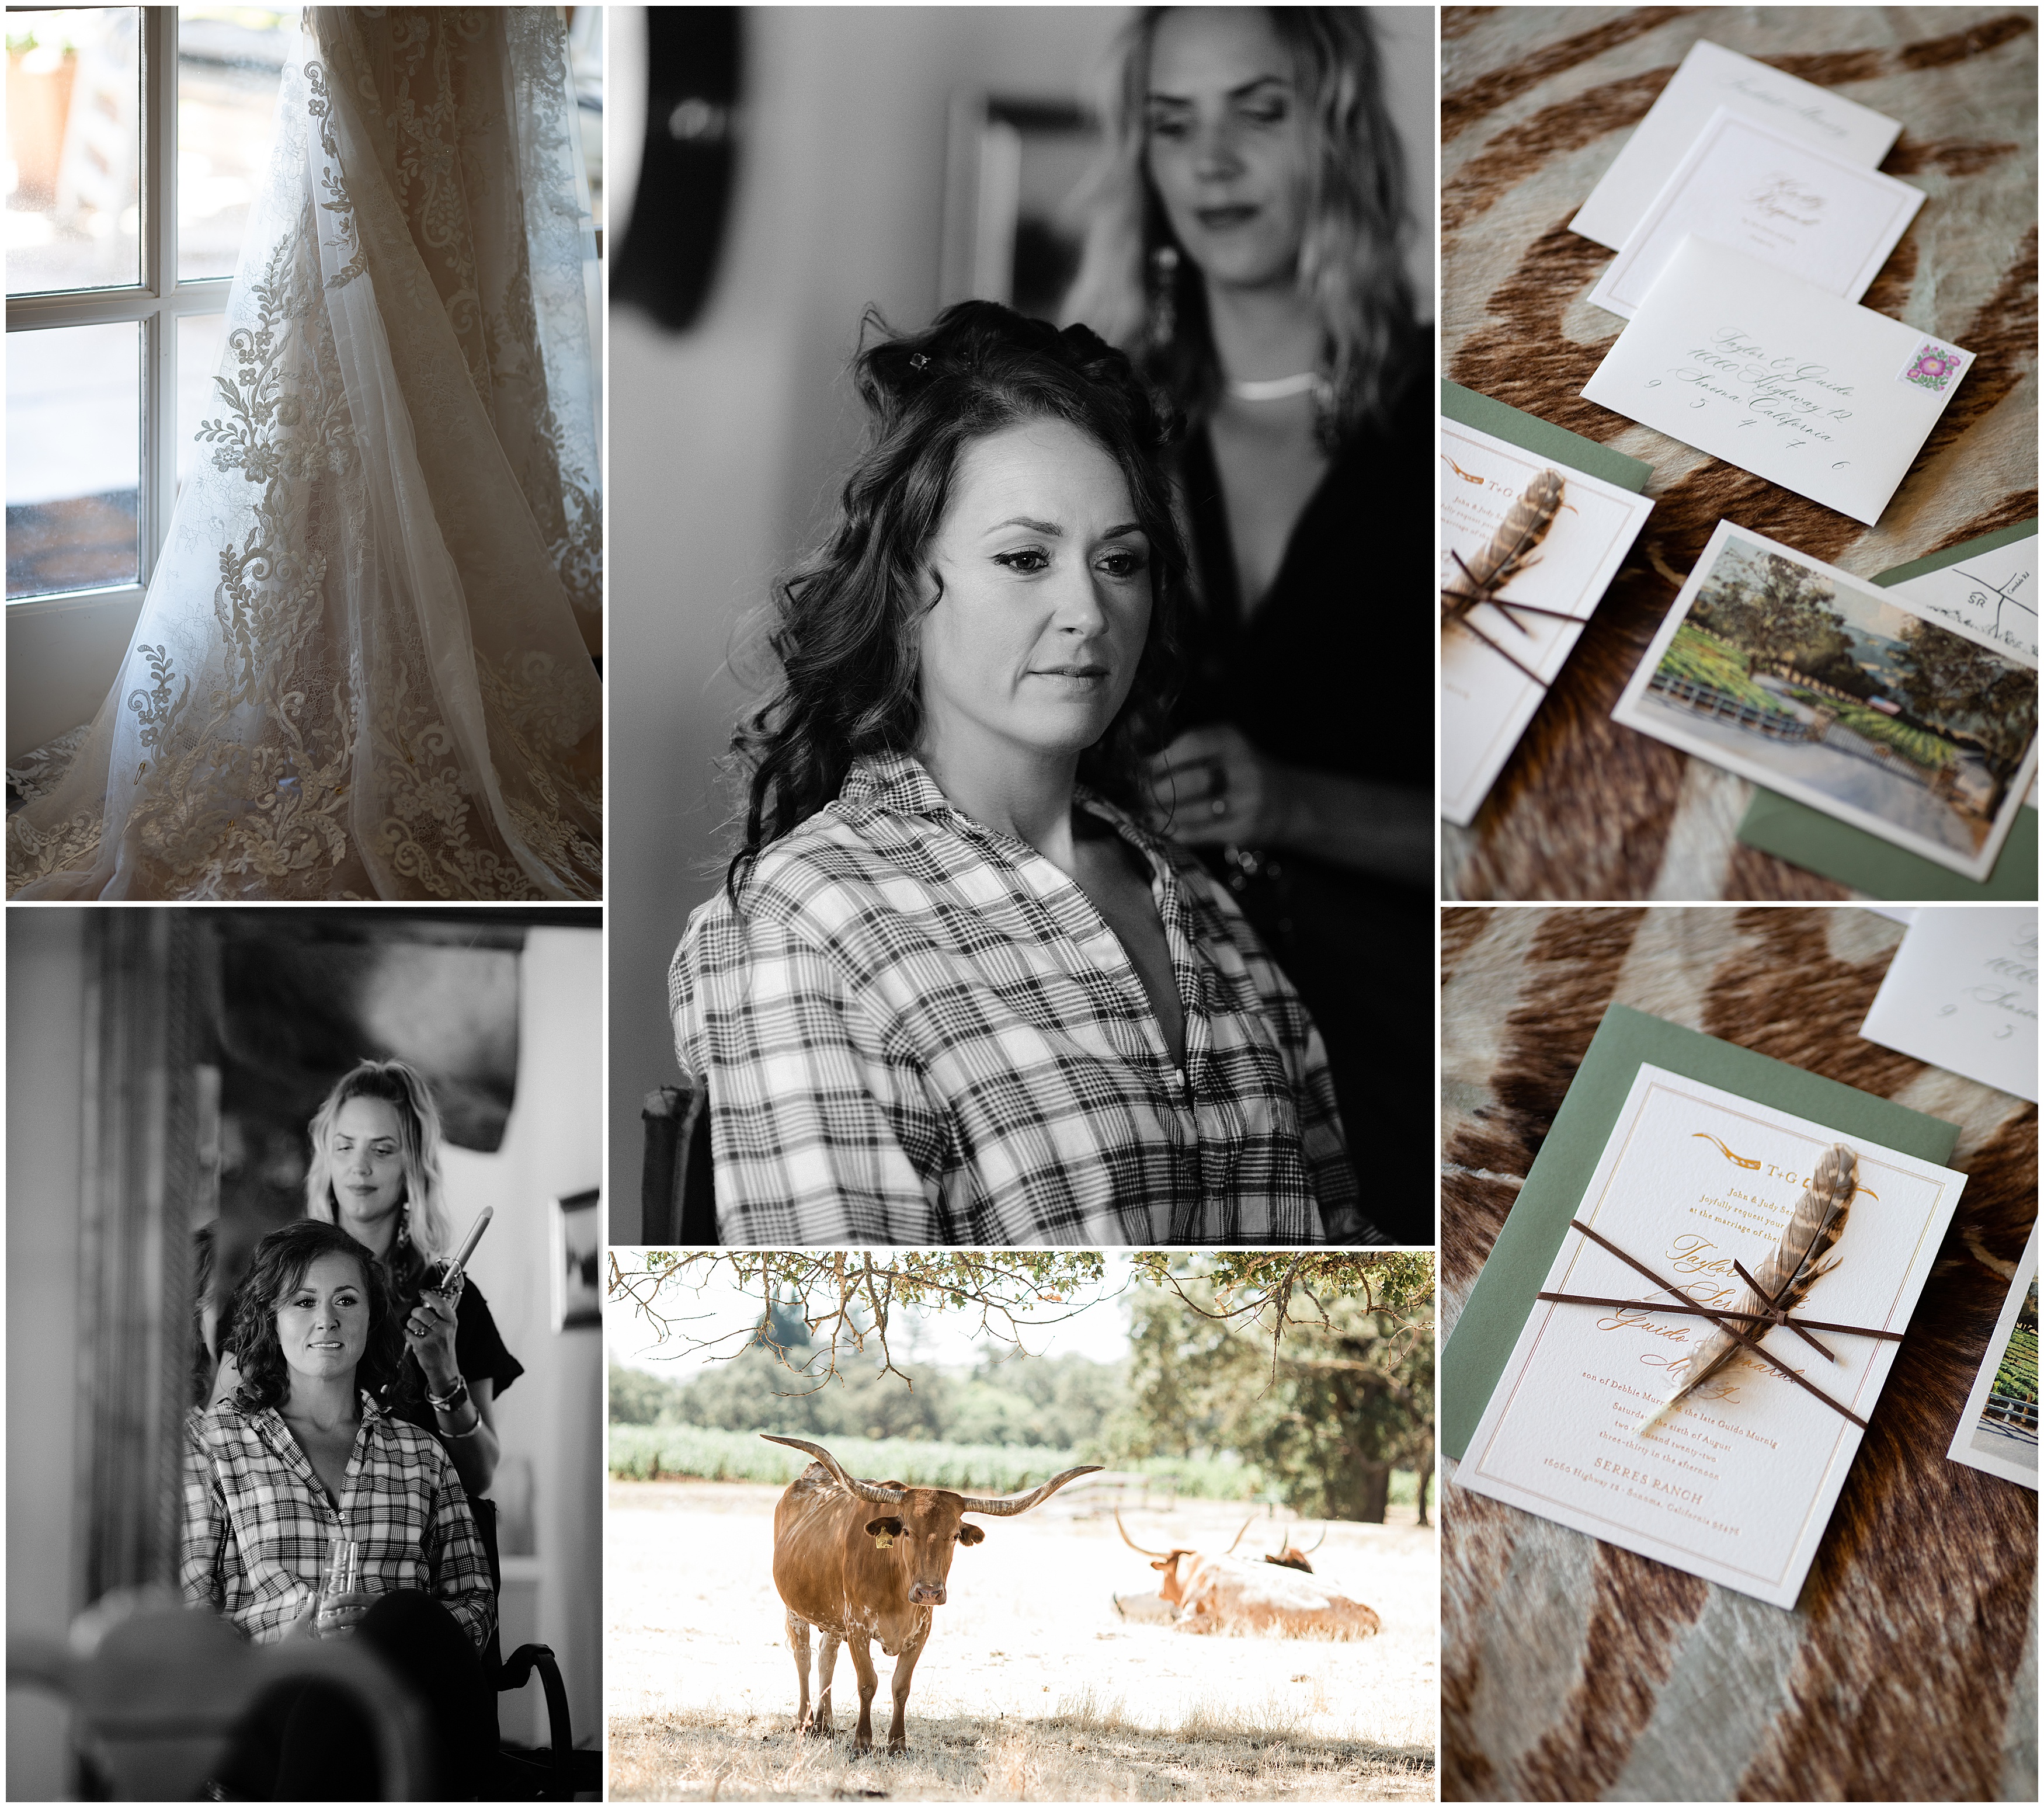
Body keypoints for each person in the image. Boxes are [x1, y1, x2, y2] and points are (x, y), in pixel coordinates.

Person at [670, 301, 1380, 1245]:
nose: (1088, 608)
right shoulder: (807, 922)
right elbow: (845, 1365)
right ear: (908, 587)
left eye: (1120, 561)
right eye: (1025, 558)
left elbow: (1345, 1261)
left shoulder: (1197, 898)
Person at [1066, 7, 1431, 1242]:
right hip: (1146, 1049)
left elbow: (1570, 847)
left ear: (1337, 134)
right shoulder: (1094, 434)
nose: (1210, 162)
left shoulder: (1461, 423)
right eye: (1174, 125)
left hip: (1406, 1052)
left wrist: (1294, 806)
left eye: (1257, 111)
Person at [182, 1219, 494, 1796]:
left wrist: (385, 1628)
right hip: (269, 1709)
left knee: (406, 1618)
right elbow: (191, 1623)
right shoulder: (215, 1444)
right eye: (304, 1301)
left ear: (371, 1316)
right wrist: (281, 1652)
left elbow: (474, 1605)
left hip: (406, 1715)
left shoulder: (421, 1453)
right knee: (328, 1684)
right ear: (271, 1319)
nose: (326, 1318)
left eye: (345, 1300)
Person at [211, 1059, 523, 1512]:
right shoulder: (269, 1284)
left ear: (411, 1165)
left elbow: (477, 1477)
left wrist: (443, 1375)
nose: (359, 1167)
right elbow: (216, 1447)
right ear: (327, 1158)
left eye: (381, 1150)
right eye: (345, 1147)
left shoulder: (450, 1304)